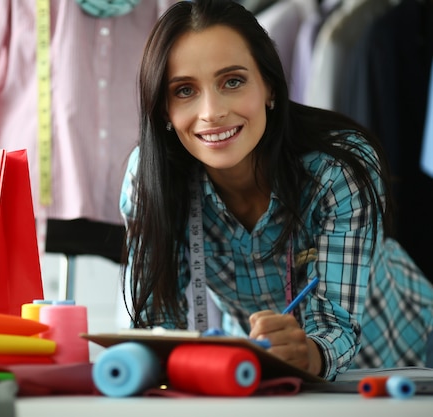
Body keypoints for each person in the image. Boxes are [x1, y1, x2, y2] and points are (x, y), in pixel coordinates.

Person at [119, 0, 433, 380]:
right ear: (163, 110)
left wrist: (307, 352)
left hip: (406, 357)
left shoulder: (337, 168)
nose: (211, 111)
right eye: (184, 90)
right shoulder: (152, 179)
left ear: (269, 86)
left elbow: (334, 329)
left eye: (232, 81)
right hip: (268, 369)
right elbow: (156, 321)